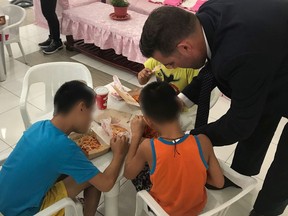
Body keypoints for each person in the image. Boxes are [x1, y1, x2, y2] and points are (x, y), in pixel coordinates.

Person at [139, 1, 288, 215]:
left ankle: (266, 211)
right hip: (273, 58)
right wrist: (179, 101)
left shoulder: (240, 52)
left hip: (268, 59)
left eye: (170, 63)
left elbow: (239, 123)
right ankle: (240, 177)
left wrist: (189, 140)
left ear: (184, 47)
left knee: (284, 170)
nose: (172, 68)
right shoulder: (208, 14)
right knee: (259, 115)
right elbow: (214, 65)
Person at [0, 81, 129, 216]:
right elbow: (106, 184)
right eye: (91, 111)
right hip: (24, 212)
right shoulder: (64, 147)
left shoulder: (39, 126)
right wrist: (119, 154)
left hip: (5, 202)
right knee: (93, 178)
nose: (91, 118)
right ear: (81, 108)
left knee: (85, 173)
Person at [124, 82, 224, 216]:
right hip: (197, 208)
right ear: (179, 106)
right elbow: (219, 182)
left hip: (163, 211)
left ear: (148, 121)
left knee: (142, 168)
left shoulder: (148, 147)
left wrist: (136, 135)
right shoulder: (203, 141)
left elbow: (128, 173)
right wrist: (192, 176)